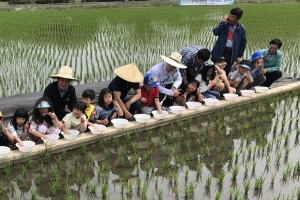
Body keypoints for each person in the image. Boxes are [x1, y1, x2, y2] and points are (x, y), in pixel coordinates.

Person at [211, 7, 247, 76]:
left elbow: (243, 43)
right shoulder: (224, 25)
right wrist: (223, 22)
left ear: (238, 18)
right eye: (230, 15)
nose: (230, 18)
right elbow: (215, 32)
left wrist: (239, 56)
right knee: (212, 68)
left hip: (231, 52)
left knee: (226, 70)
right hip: (219, 50)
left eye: (233, 17)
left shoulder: (241, 29)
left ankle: (221, 84)